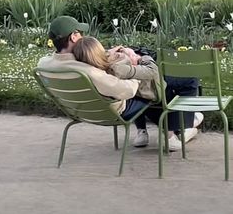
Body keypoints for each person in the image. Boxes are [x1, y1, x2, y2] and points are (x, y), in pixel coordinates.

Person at [38, 16, 203, 151]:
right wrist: (133, 65)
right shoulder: (88, 72)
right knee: (159, 87)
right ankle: (177, 129)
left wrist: (107, 54)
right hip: (116, 109)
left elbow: (82, 60)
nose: (82, 36)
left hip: (81, 110)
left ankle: (153, 130)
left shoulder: (44, 64)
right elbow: (126, 90)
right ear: (74, 36)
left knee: (158, 85)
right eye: (80, 33)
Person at [72, 36, 203, 150]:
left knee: (147, 90)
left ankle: (142, 131)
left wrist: (121, 50)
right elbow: (152, 71)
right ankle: (178, 129)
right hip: (150, 90)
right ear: (98, 52)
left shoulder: (93, 69)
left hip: (134, 94)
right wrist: (140, 57)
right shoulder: (117, 68)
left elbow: (104, 56)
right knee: (190, 81)